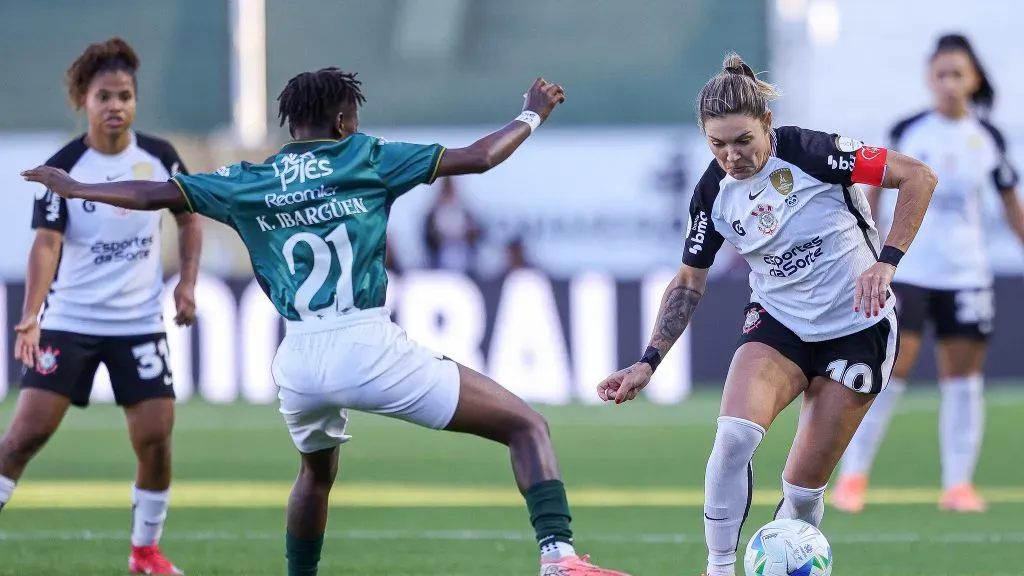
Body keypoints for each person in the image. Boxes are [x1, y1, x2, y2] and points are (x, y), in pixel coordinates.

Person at [20, 67, 631, 576]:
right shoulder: (364, 156)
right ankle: (558, 557)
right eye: (353, 119)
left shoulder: (249, 180)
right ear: (342, 122)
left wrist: (76, 188)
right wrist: (531, 114)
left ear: (291, 125)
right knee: (526, 425)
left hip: (299, 360)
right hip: (366, 343)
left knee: (315, 475)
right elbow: (478, 158)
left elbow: (157, 195)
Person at [595, 53, 938, 576]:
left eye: (743, 141)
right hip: (780, 324)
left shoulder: (816, 153)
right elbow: (689, 281)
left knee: (801, 493)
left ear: (767, 124)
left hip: (858, 328)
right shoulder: (712, 194)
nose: (731, 156)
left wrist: (886, 263)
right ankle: (718, 568)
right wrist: (648, 361)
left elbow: (919, 177)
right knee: (733, 437)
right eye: (717, 144)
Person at [0, 37, 200, 575]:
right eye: (104, 97)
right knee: (23, 438)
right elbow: (46, 244)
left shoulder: (159, 157)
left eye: (125, 96)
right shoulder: (64, 167)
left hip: (139, 324)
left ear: (136, 100)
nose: (116, 106)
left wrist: (186, 284)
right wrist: (31, 315)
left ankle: (145, 553)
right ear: (83, 101)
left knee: (156, 442)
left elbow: (188, 218)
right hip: (71, 321)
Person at [833, 33, 1024, 514]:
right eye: (941, 74)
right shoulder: (909, 131)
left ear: (973, 79)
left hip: (967, 275)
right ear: (929, 78)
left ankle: (958, 485)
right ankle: (853, 477)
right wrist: (870, 251)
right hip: (909, 272)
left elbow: (1010, 203)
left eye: (958, 74)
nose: (949, 83)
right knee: (888, 372)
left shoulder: (988, 138)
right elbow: (874, 192)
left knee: (962, 380)